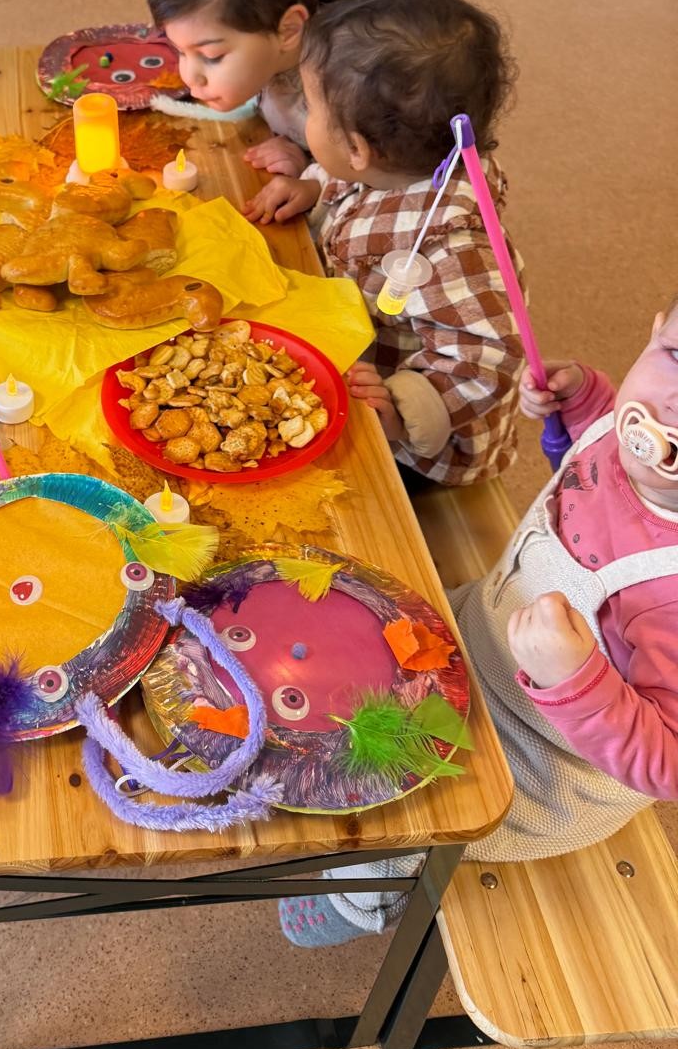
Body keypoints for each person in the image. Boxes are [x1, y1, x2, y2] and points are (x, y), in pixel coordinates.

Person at [281, 302, 678, 945]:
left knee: (403, 805)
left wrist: (575, 680)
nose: (673, 408)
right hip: (479, 624)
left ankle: (361, 896)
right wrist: (583, 406)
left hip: (536, 758)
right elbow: (582, 477)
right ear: (656, 327)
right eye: (677, 357)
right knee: (340, 629)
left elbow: (666, 766)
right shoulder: (624, 433)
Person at [247, 0, 524, 487]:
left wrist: (402, 410)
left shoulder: (452, 248)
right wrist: (312, 189)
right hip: (358, 337)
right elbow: (348, 178)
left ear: (356, 147)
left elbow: (486, 359)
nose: (304, 120)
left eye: (311, 109)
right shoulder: (391, 163)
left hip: (419, 442)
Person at [146, 0, 358, 208]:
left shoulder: (349, 88)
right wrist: (299, 150)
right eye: (179, 51)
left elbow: (394, 172)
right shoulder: (265, 13)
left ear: (288, 30)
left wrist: (315, 180)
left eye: (212, 56)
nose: (190, 78)